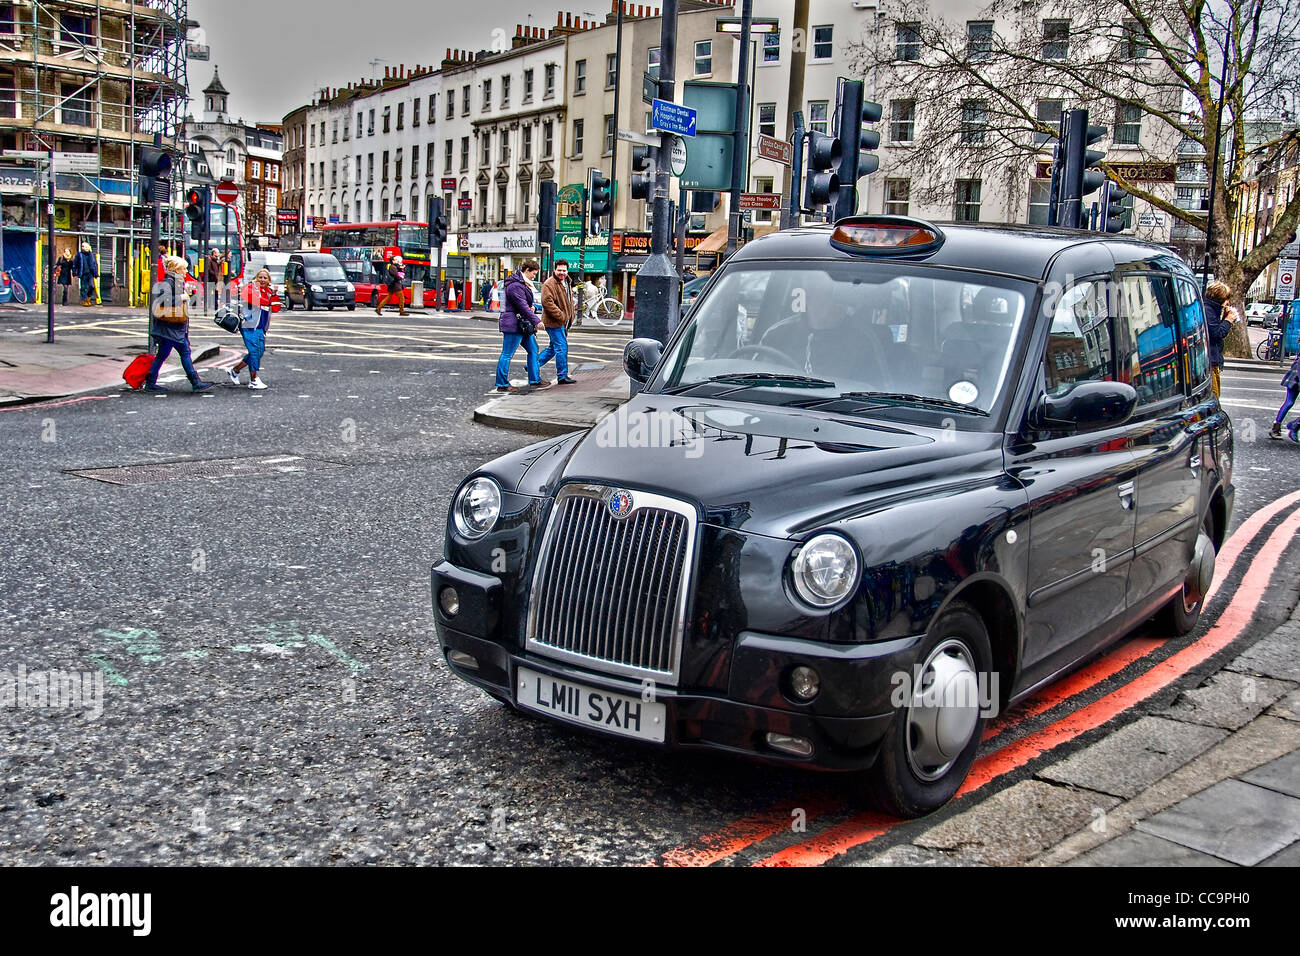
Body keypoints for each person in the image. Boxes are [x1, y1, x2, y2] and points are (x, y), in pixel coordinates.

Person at [144, 255, 212, 393]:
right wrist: (182, 297)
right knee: (185, 352)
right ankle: (195, 382)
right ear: (176, 269)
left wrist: (187, 294)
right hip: (171, 329)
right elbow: (164, 300)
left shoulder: (175, 282)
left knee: (162, 355)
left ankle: (150, 382)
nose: (186, 271)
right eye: (184, 269)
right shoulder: (167, 283)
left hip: (171, 329)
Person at [495, 259, 545, 392]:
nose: (534, 276)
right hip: (513, 324)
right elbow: (522, 306)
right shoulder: (515, 285)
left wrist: (532, 307)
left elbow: (525, 304)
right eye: (533, 274)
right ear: (526, 271)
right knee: (507, 354)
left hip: (522, 325)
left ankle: (535, 380)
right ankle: (502, 384)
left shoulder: (522, 283)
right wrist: (537, 321)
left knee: (533, 349)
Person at [228, 268, 274, 390]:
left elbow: (276, 306)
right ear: (256, 278)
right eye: (260, 277)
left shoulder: (267, 291)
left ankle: (235, 370)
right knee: (254, 351)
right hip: (248, 325)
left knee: (259, 351)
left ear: (269, 280)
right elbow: (256, 300)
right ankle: (253, 380)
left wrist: (271, 296)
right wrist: (269, 300)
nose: (262, 279)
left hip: (260, 327)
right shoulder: (249, 288)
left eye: (265, 278)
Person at [539, 259, 577, 385]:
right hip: (554, 322)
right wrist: (562, 316)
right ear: (555, 270)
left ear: (567, 271)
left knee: (553, 348)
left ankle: (532, 366)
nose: (562, 273)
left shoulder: (566, 281)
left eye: (564, 270)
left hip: (563, 322)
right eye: (559, 270)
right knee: (561, 348)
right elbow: (547, 302)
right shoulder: (549, 284)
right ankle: (562, 376)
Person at [1203, 280, 1238, 398]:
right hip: (1210, 359)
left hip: (1212, 357)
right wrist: (1229, 320)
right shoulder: (1208, 311)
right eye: (1226, 299)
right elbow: (1217, 333)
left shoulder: (1211, 310)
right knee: (1214, 393)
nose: (1227, 302)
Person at [1271, 350, 1300, 441]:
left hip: (1294, 377)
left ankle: (1277, 427)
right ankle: (1294, 425)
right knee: (1289, 402)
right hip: (1296, 378)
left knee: (1289, 402)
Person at [72, 242, 97, 306]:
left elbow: (94, 264)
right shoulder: (79, 254)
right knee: (83, 287)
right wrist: (74, 272)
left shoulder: (91, 255)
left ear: (88, 247)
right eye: (83, 246)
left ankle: (88, 298)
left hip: (90, 273)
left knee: (92, 286)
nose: (84, 248)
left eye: (85, 246)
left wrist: (95, 273)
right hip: (83, 273)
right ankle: (84, 300)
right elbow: (75, 263)